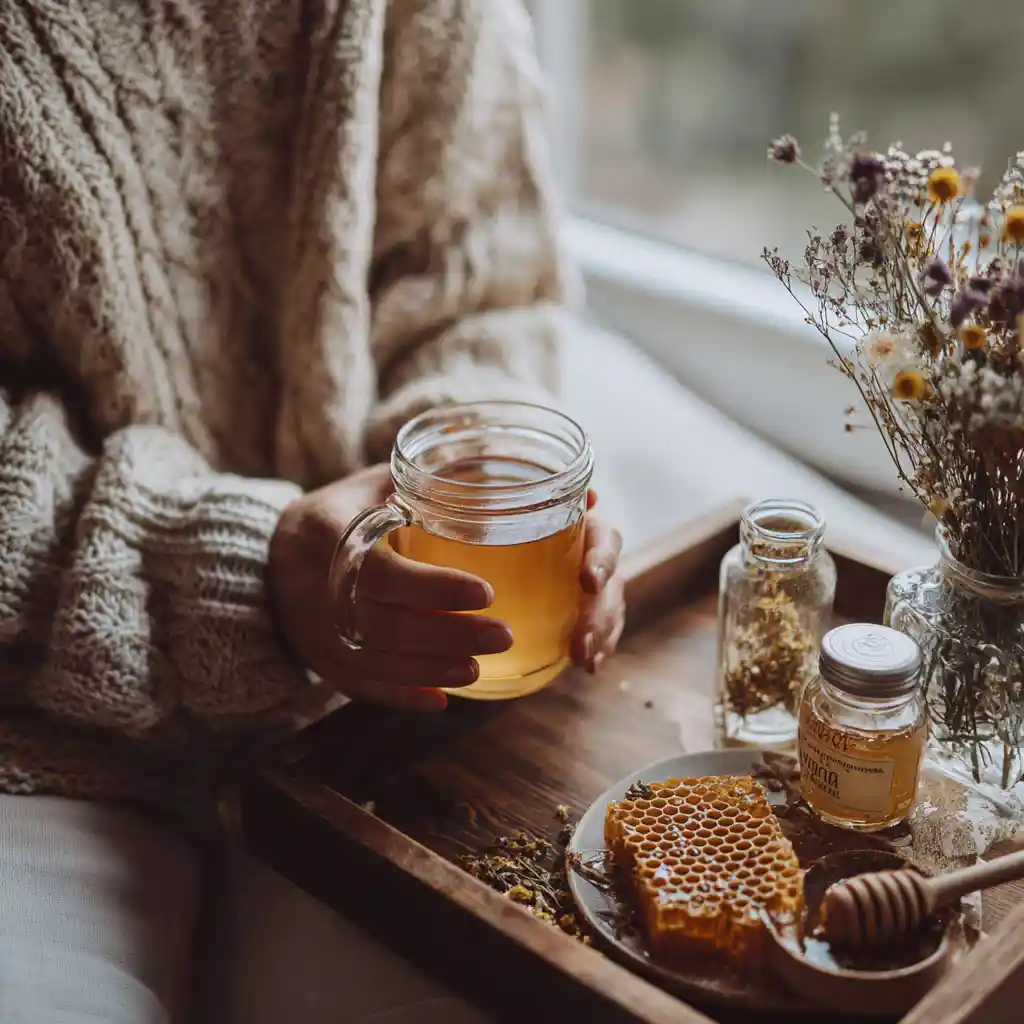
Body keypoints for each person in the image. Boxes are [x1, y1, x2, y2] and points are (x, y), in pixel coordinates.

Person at [0, 1, 625, 1021]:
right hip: (35, 724)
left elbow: (481, 279)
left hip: (374, 717)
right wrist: (236, 572)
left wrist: (465, 460)